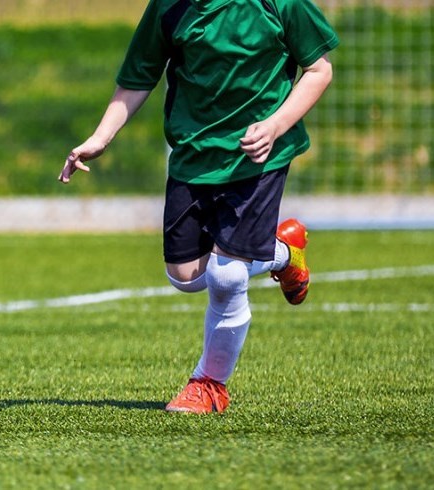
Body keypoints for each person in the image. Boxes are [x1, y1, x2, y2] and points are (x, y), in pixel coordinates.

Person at [60, 0, 337, 413]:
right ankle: (281, 252)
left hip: (259, 158)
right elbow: (139, 76)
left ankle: (209, 384)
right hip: (193, 159)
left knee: (226, 277)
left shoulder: (280, 3)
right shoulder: (169, 7)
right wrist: (101, 137)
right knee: (186, 276)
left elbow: (319, 69)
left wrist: (276, 125)